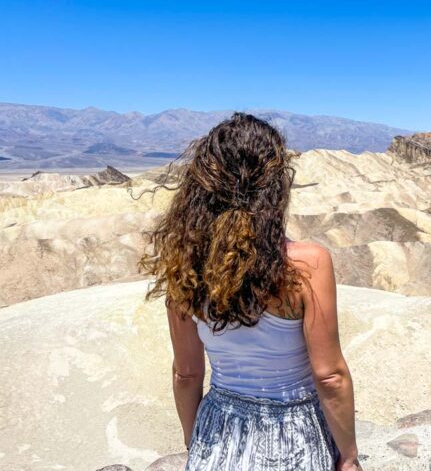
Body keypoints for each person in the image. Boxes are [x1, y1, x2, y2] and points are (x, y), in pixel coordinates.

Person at [137, 112, 361, 470]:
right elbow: (329, 376)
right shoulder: (305, 266)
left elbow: (187, 374)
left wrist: (199, 442)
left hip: (219, 427)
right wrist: (348, 458)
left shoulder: (186, 268)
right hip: (293, 434)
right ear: (276, 186)